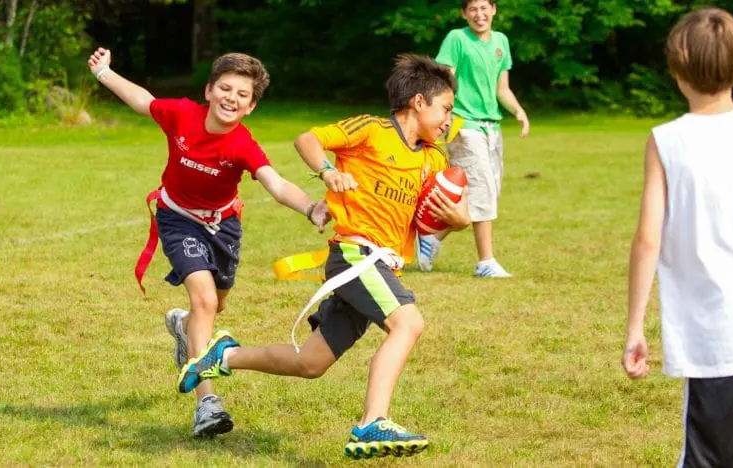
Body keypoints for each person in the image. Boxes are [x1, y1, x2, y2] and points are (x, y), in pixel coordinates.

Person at [174, 54, 470, 459]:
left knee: (310, 363)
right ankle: (372, 423)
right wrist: (328, 171)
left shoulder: (434, 158)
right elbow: (307, 140)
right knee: (408, 322)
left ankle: (222, 355)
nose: (449, 120)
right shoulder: (372, 130)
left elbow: (434, 219)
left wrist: (459, 220)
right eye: (446, 109)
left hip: (382, 263)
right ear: (418, 102)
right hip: (354, 255)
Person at [86, 48, 330, 438]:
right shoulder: (183, 114)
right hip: (178, 218)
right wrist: (105, 73)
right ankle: (207, 403)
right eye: (225, 88)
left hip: (223, 226)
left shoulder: (243, 144)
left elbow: (276, 183)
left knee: (215, 305)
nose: (231, 98)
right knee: (204, 301)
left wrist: (310, 209)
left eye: (242, 94)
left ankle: (183, 327)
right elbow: (143, 101)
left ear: (250, 107)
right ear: (209, 90)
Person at [620, 8, 733, 467]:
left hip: (715, 341)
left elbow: (647, 240)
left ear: (677, 68)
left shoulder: (667, 141)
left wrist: (635, 327)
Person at [417, 0, 529, 276]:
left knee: (483, 193)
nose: (479, 14)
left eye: (484, 8)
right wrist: (444, 116)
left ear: (494, 10)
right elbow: (445, 81)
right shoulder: (457, 39)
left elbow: (502, 88)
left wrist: (518, 110)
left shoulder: (501, 41)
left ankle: (430, 238)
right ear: (464, 14)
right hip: (464, 125)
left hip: (492, 127)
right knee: (483, 190)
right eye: (473, 9)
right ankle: (485, 262)